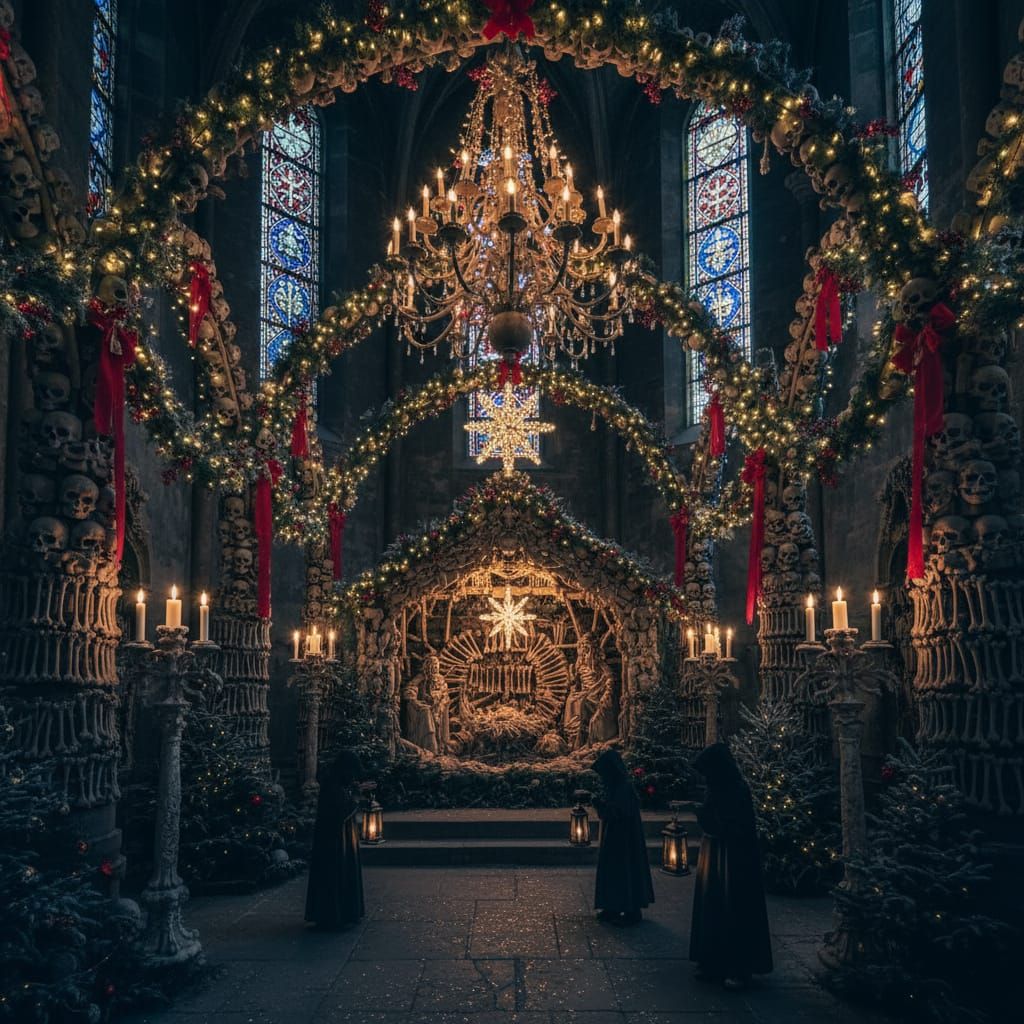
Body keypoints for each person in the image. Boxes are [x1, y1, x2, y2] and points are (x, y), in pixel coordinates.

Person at [689, 742, 773, 988]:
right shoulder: (718, 787)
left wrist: (706, 818)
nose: (706, 780)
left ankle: (738, 966)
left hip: (735, 861)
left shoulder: (736, 790)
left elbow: (735, 826)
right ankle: (712, 961)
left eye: (708, 774)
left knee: (733, 908)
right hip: (716, 854)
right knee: (714, 907)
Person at [591, 748, 654, 926]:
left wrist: (599, 805)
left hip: (624, 841)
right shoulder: (616, 786)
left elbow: (616, 813)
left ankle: (630, 909)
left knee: (624, 870)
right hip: (616, 838)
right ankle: (612, 906)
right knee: (614, 870)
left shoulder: (623, 788)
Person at [304, 749, 365, 929]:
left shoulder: (337, 782)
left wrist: (355, 789)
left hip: (340, 838)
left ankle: (345, 913)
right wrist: (355, 798)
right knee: (334, 877)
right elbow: (339, 810)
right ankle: (333, 914)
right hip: (333, 842)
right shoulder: (331, 784)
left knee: (342, 875)